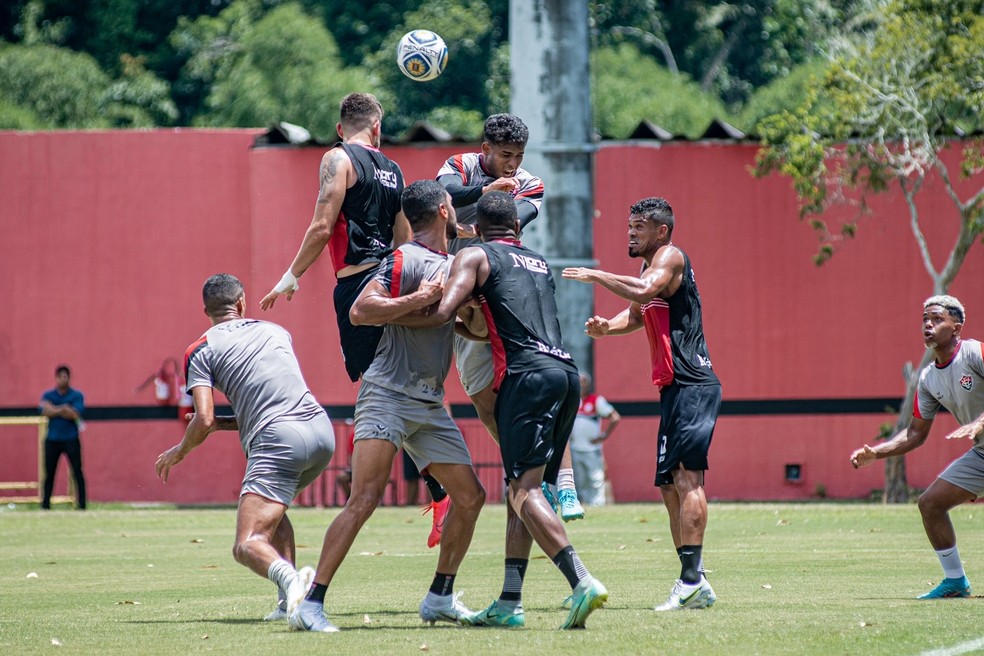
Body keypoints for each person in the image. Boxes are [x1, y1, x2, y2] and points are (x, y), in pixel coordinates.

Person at [288, 179, 486, 633]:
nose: (457, 213)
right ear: (442, 210)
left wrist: (475, 318)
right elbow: (361, 310)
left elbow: (456, 326)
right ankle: (312, 604)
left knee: (471, 497)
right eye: (454, 206)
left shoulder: (454, 264)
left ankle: (440, 597)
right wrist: (421, 297)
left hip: (430, 403)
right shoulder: (404, 258)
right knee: (365, 498)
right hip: (387, 395)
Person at [410, 190, 608, 630]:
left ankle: (581, 581)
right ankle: (510, 601)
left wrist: (400, 312)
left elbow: (443, 311)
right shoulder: (537, 260)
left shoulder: (475, 255)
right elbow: (505, 326)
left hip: (527, 379)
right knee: (520, 487)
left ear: (475, 228)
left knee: (524, 493)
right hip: (566, 374)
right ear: (517, 227)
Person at [259, 92, 450, 546]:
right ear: (378, 128)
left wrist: (290, 275)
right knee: (398, 381)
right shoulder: (394, 168)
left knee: (377, 387)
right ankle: (440, 487)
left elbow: (323, 225)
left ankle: (424, 489)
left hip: (359, 285)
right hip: (393, 276)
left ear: (341, 128)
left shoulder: (337, 158)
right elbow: (404, 236)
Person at [562, 196, 720, 611]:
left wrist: (596, 276)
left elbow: (645, 290)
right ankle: (695, 579)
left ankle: (690, 581)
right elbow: (636, 312)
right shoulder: (649, 269)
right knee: (670, 487)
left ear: (661, 231)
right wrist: (605, 328)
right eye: (629, 225)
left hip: (693, 383)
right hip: (672, 388)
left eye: (639, 227)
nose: (630, 233)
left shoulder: (670, 258)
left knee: (688, 480)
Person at [155, 273, 336, 622]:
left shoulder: (201, 349)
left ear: (205, 311)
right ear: (241, 304)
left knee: (247, 543)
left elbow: (203, 418)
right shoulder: (276, 331)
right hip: (320, 432)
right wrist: (220, 423)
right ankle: (288, 605)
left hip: (278, 441)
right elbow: (266, 403)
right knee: (274, 515)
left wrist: (179, 451)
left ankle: (296, 582)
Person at [438, 114, 584, 522]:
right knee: (483, 398)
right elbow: (445, 192)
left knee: (543, 383)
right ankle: (530, 464)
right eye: (505, 155)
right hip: (464, 287)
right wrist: (485, 189)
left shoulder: (532, 182)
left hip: (505, 287)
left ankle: (565, 485)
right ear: (484, 149)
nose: (513, 165)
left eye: (518, 156)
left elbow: (505, 218)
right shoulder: (460, 165)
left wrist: (477, 208)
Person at [850, 295, 984, 599]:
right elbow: (915, 433)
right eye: (925, 319)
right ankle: (955, 582)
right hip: (982, 454)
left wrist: (981, 421)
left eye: (937, 319)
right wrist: (877, 452)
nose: (928, 324)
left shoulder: (974, 352)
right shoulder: (927, 378)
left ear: (956, 327)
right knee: (930, 503)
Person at [570, 373, 622, 506]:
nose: (581, 385)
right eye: (579, 382)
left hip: (591, 448)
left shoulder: (596, 400)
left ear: (589, 384)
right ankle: (582, 504)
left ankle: (597, 505)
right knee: (578, 479)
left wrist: (604, 435)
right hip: (574, 447)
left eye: (584, 382)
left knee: (595, 478)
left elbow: (614, 417)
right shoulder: (572, 401)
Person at [39, 365, 86, 510]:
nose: (63, 379)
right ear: (56, 378)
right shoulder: (48, 395)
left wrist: (55, 409)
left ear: (69, 378)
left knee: (77, 471)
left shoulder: (77, 395)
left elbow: (75, 414)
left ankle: (82, 504)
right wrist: (64, 408)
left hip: (70, 438)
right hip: (53, 439)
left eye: (65, 376)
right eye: (61, 376)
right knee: (49, 472)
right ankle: (45, 504)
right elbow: (44, 411)